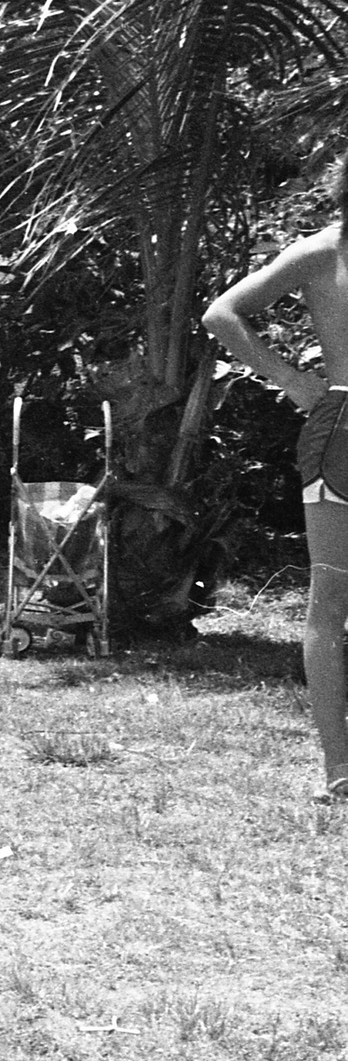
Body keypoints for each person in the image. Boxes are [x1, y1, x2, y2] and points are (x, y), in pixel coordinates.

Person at [206, 157, 348, 801]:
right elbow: (223, 314)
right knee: (331, 597)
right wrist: (293, 380)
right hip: (340, 431)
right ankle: (338, 772)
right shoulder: (324, 249)